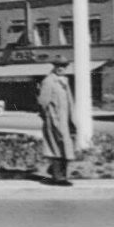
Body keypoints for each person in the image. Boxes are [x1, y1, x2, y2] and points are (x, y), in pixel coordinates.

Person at [37, 56, 76, 186]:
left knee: (65, 147)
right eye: (58, 65)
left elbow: (69, 102)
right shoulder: (49, 81)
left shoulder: (65, 81)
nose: (61, 68)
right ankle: (58, 177)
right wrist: (49, 117)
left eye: (64, 66)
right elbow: (42, 102)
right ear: (54, 67)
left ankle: (57, 173)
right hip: (54, 119)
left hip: (65, 120)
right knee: (57, 147)